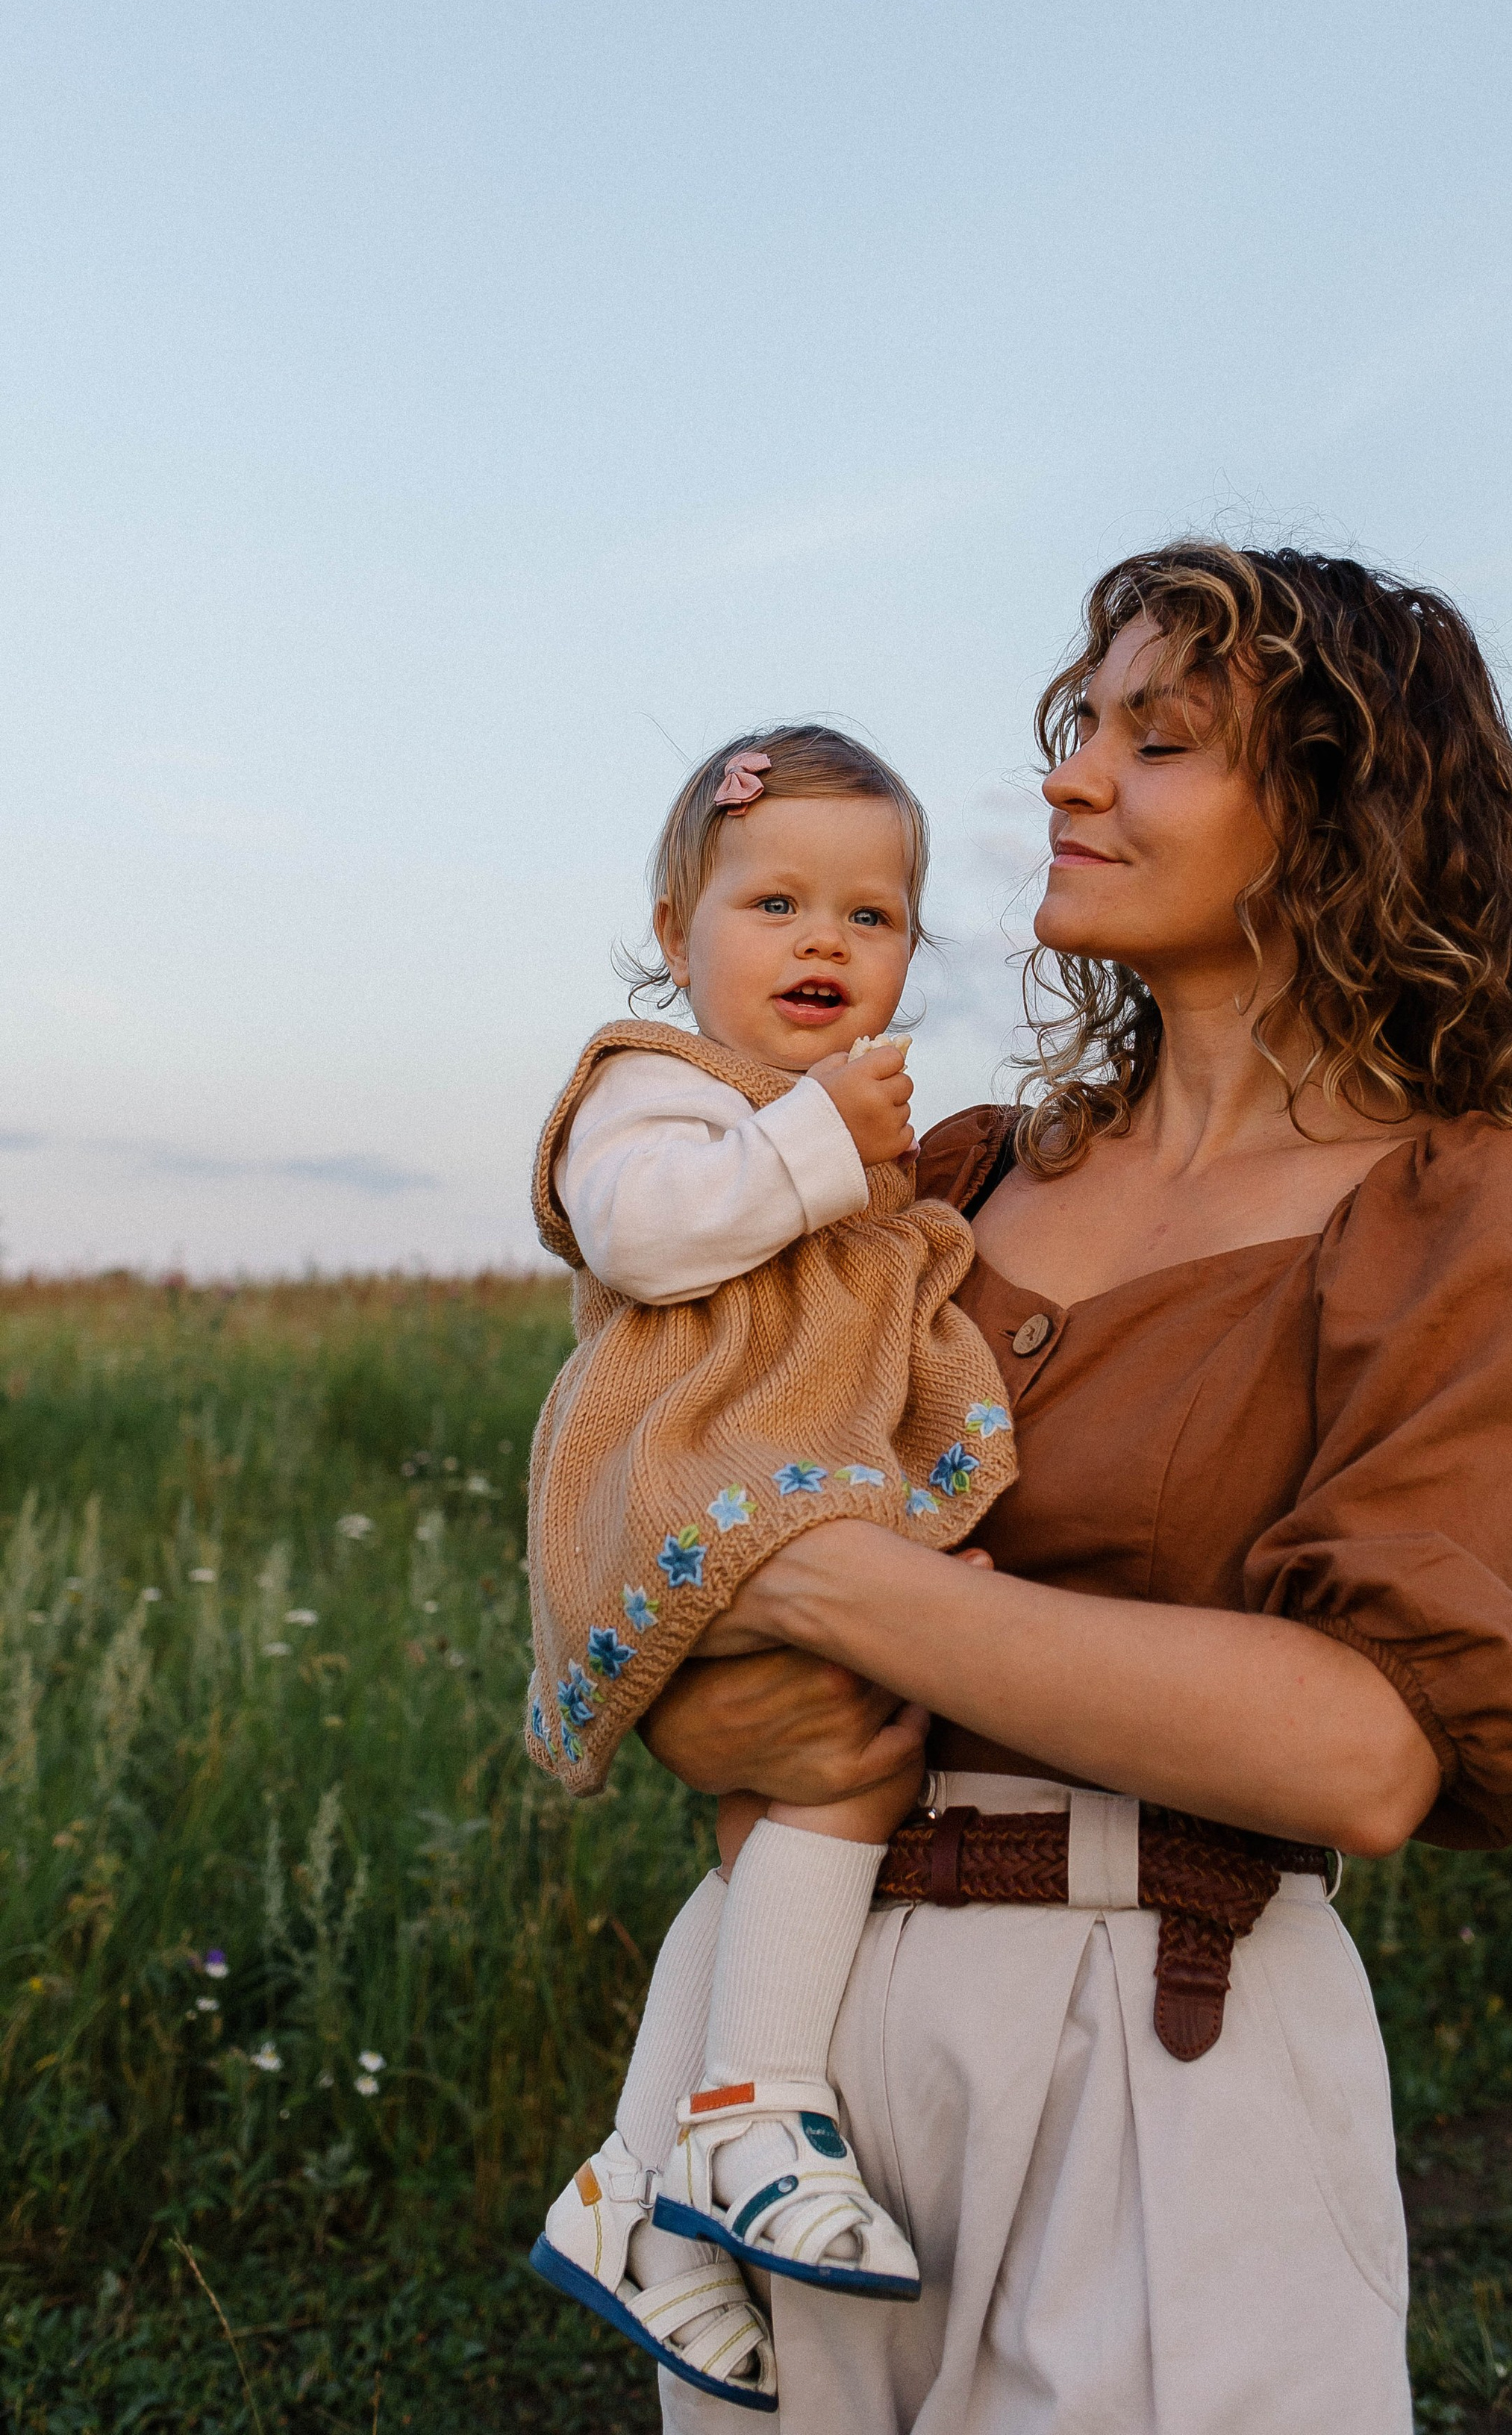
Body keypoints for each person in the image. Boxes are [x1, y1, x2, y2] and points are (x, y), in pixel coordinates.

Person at [635, 543, 1512, 2434]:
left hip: (1161, 2046)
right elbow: (657, 1547)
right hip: (782, 2045)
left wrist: (830, 1586)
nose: (1068, 777)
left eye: (1158, 739)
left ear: (1341, 812)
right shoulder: (938, 1177)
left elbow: (1365, 1747)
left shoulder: (1468, 1210)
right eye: (1078, 724)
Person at [527, 725, 1016, 2410]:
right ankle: (749, 2102)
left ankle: (636, 2181)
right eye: (776, 902)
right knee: (846, 1767)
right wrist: (816, 1140)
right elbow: (646, 1230)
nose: (824, 941)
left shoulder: (824, 1124)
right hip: (679, 1487)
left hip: (764, 1491)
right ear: (677, 934)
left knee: (796, 1806)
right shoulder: (648, 1086)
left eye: (871, 917)